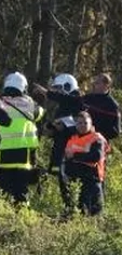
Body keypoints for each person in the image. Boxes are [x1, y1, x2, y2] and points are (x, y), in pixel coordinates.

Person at [31, 73, 85, 209]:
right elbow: (59, 125)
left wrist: (46, 92)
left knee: (69, 179)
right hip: (60, 149)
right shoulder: (62, 107)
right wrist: (51, 128)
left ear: (67, 86)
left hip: (73, 152)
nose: (56, 92)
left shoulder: (78, 102)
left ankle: (73, 208)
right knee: (57, 176)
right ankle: (63, 206)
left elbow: (77, 127)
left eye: (59, 89)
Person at [0, 72, 43, 205]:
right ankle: (22, 220)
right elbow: (40, 113)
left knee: (2, 193)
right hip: (23, 157)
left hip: (2, 155)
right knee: (21, 193)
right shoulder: (29, 104)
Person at [64, 110, 107, 216]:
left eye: (85, 123)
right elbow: (67, 158)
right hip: (75, 180)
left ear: (91, 124)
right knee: (78, 212)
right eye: (79, 123)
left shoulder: (96, 138)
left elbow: (96, 156)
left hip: (92, 179)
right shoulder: (72, 139)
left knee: (94, 212)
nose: (82, 125)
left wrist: (75, 156)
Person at [83, 73, 120, 141]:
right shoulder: (86, 99)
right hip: (82, 141)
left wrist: (96, 133)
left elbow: (115, 131)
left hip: (99, 144)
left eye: (97, 83)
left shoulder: (112, 105)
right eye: (94, 82)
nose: (94, 84)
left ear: (106, 85)